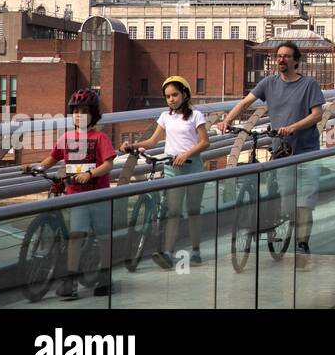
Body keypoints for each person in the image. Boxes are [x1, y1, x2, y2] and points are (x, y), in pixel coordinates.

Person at [215, 41, 325, 269]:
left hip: (306, 152)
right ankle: (283, 233)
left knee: (304, 203)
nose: (281, 60)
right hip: (281, 150)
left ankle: (302, 246)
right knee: (287, 202)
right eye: (279, 56)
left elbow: (316, 115)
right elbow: (246, 102)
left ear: (296, 61)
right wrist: (227, 120)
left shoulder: (309, 85)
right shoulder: (269, 83)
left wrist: (293, 127)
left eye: (286, 56)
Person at [31, 89, 116, 299]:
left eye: (84, 111)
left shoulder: (100, 138)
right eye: (76, 111)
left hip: (98, 194)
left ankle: (105, 276)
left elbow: (108, 164)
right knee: (75, 236)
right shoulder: (66, 137)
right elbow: (52, 158)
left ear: (94, 114)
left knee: (103, 236)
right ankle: (71, 279)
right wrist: (36, 167)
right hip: (75, 194)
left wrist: (90, 174)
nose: (79, 114)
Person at [121, 76, 210, 269]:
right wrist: (132, 145)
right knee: (174, 211)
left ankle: (195, 251)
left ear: (184, 94)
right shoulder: (165, 116)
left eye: (175, 95)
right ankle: (168, 253)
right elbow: (153, 141)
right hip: (171, 167)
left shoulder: (196, 115)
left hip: (192, 166)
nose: (171, 99)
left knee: (193, 210)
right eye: (167, 96)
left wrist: (186, 154)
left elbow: (205, 142)